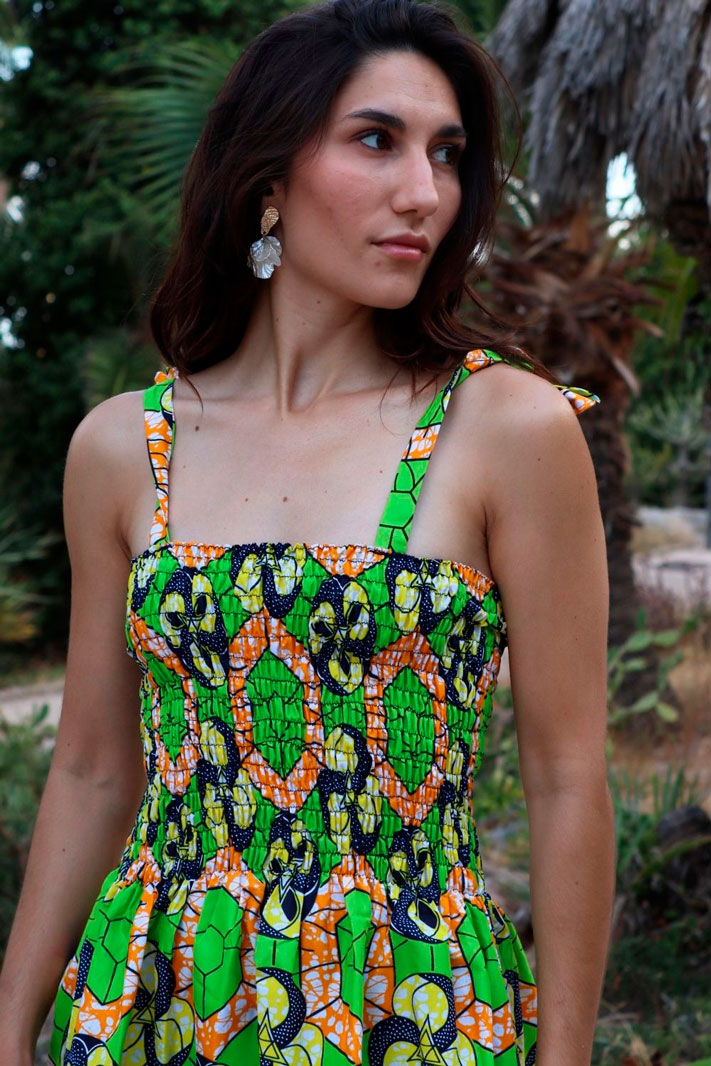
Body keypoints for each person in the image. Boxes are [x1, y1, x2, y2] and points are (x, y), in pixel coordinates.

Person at [0, 0, 615, 1062]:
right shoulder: (124, 445)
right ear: (268, 180)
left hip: (410, 1006)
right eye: (376, 140)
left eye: (447, 153)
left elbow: (567, 779)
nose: (424, 192)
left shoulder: (505, 427)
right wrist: (11, 1026)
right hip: (157, 1002)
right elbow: (95, 769)